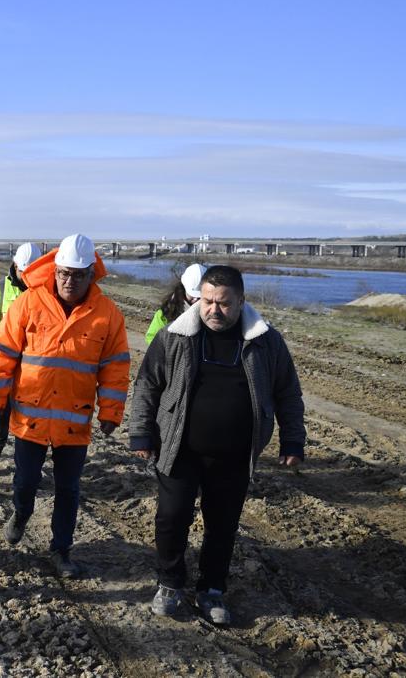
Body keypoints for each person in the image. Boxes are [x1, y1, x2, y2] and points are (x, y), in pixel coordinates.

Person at [128, 265, 305, 625]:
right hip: (180, 448)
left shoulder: (266, 342)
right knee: (171, 518)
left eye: (223, 303)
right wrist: (141, 433)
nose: (213, 310)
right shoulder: (175, 336)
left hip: (235, 454)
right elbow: (148, 384)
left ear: (241, 301)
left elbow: (287, 392)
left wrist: (293, 440)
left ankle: (212, 589)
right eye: (207, 301)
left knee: (222, 525)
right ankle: (170, 583)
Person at [0, 234, 130, 578]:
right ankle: (21, 514)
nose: (69, 281)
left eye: (78, 275)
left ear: (91, 275)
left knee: (69, 489)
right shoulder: (27, 304)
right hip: (29, 416)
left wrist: (110, 411)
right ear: (55, 270)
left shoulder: (107, 314)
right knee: (25, 482)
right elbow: (3, 355)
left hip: (73, 419)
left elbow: (116, 366)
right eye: (64, 273)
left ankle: (61, 550)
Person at [0, 241, 43, 471]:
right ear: (15, 265)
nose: (26, 277)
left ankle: (22, 457)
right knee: (0, 412)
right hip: (4, 361)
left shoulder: (44, 291)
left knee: (26, 414)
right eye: (22, 272)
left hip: (31, 365)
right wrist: (9, 333)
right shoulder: (1, 288)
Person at [145, 263, 207, 344]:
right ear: (184, 288)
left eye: (200, 296)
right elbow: (152, 337)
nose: (196, 299)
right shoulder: (167, 312)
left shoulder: (213, 312)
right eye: (192, 295)